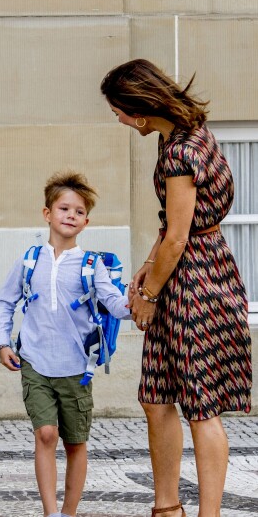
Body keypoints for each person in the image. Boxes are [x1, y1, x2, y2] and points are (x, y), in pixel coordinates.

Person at [101, 58, 252, 517]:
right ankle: (167, 506)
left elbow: (179, 236)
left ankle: (207, 515)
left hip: (195, 281)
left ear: (140, 111)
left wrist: (147, 297)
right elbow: (173, 226)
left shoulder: (180, 153)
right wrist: (147, 268)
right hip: (194, 266)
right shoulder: (185, 133)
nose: (119, 119)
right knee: (155, 396)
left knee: (201, 406)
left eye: (120, 112)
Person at [0, 171, 130, 517]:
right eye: (64, 208)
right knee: (46, 435)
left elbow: (114, 303)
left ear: (86, 221)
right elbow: (3, 302)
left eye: (79, 211)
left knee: (75, 442)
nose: (71, 215)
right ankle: (51, 513)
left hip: (76, 368)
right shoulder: (30, 260)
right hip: (35, 362)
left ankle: (69, 512)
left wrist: (143, 302)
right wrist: (2, 342)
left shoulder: (91, 264)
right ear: (47, 214)